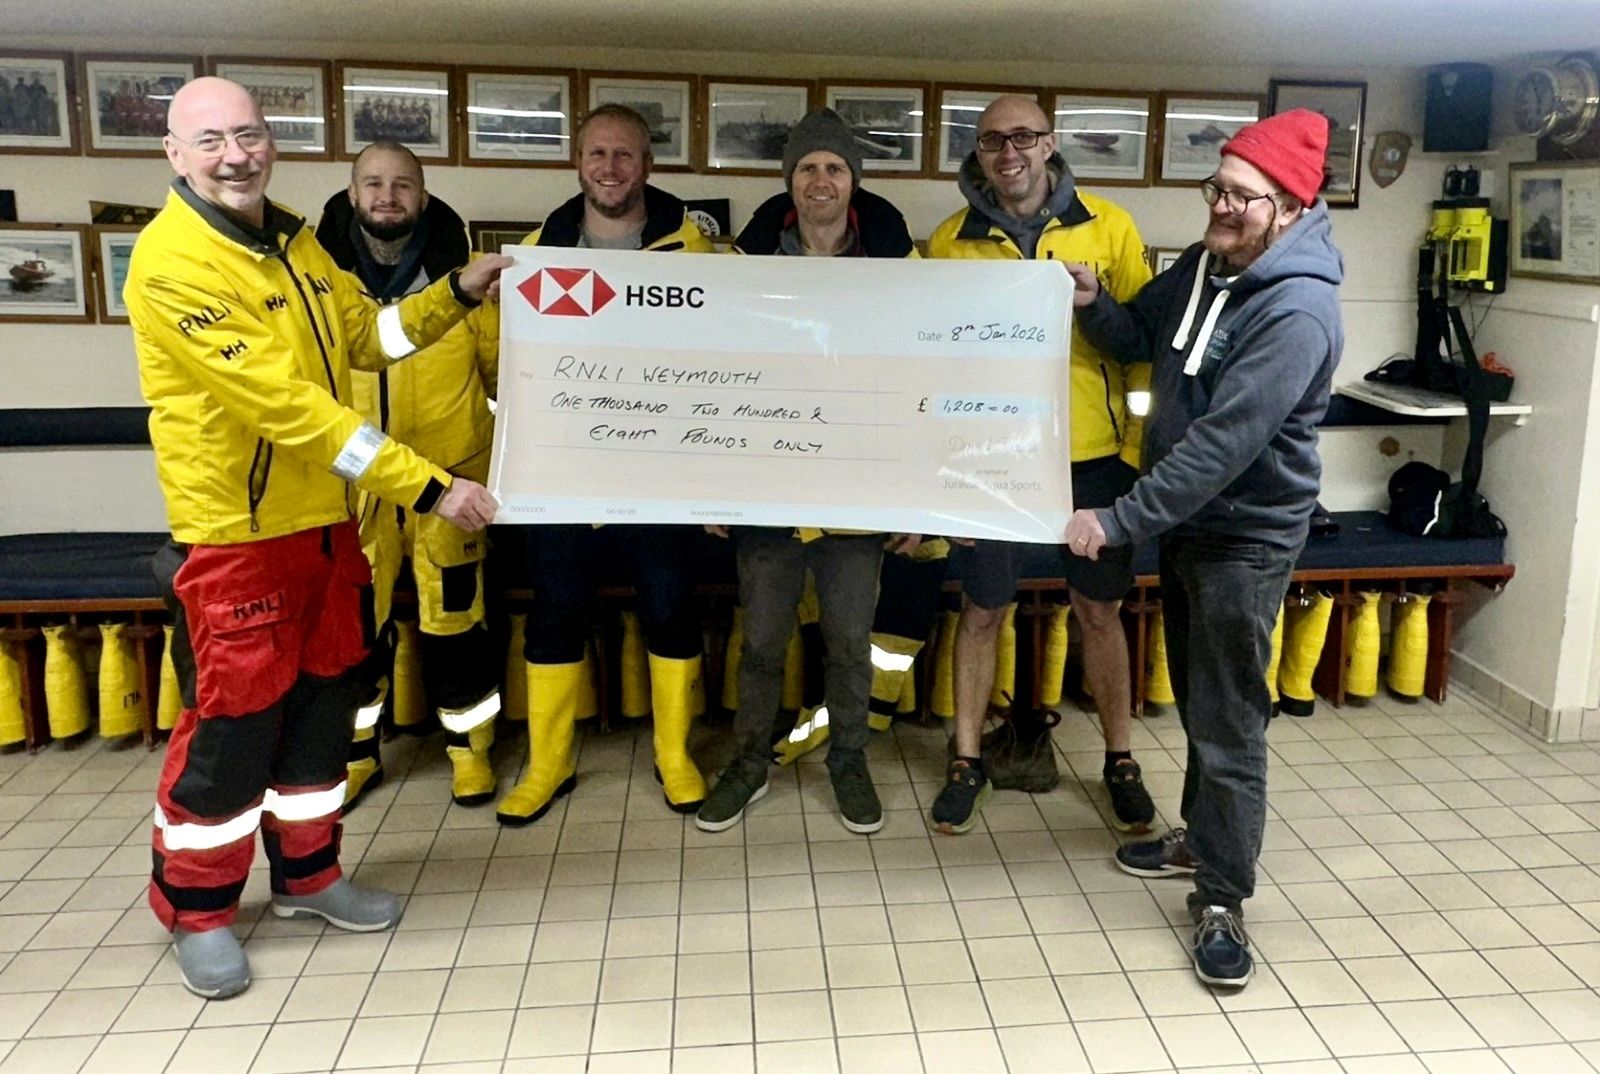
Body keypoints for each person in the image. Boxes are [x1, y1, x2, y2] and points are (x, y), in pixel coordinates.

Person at [126, 77, 507, 1000]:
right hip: (236, 537)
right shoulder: (173, 261)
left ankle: (308, 876)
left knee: (322, 712)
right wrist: (429, 485)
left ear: (271, 141)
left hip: (326, 528)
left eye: (249, 134)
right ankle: (198, 911)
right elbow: (290, 409)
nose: (235, 155)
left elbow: (369, 337)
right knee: (232, 730)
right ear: (175, 154)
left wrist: (457, 292)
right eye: (210, 140)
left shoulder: (296, 242)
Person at [1063, 109, 1343, 987]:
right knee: (1199, 699)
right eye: (1216, 188)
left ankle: (1222, 898)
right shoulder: (1203, 264)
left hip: (1245, 538)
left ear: (1292, 207)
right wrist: (1093, 304)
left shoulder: (1297, 309)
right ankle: (1200, 840)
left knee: (1228, 723)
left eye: (1242, 197)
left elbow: (1224, 446)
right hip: (1189, 526)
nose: (1221, 206)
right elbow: (1139, 338)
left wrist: (1118, 519)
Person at [925, 94, 1154, 835]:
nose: (1009, 152)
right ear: (979, 151)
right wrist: (944, 472)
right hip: (991, 460)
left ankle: (1120, 759)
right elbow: (933, 362)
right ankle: (966, 758)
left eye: (1023, 137)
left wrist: (1133, 453)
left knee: (1099, 612)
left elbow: (1141, 345)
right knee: (982, 610)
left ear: (1050, 144)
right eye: (993, 140)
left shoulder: (1110, 227)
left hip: (1094, 461)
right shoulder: (950, 240)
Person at [695, 108, 920, 834]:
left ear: (854, 181)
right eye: (807, 168)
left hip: (858, 497)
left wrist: (914, 502)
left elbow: (920, 386)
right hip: (767, 493)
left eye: (835, 167)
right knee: (761, 643)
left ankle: (848, 758)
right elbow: (711, 374)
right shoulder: (745, 269)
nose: (821, 180)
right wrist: (711, 485)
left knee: (850, 644)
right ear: (789, 181)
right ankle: (749, 762)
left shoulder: (897, 271)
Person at [497, 103, 715, 827]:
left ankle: (674, 754)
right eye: (598, 153)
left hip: (664, 478)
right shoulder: (538, 253)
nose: (611, 167)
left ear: (647, 164)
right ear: (578, 162)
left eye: (625, 154)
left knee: (670, 611)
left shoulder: (699, 252)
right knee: (555, 613)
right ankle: (548, 763)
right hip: (564, 480)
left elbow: (730, 361)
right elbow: (513, 367)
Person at [315, 142, 502, 810]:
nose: (387, 196)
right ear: (352, 193)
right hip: (355, 487)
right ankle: (355, 753)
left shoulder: (468, 282)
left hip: (451, 486)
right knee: (354, 629)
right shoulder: (318, 283)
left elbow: (505, 379)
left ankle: (470, 750)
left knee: (458, 623)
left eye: (401, 185)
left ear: (423, 196)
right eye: (373, 183)